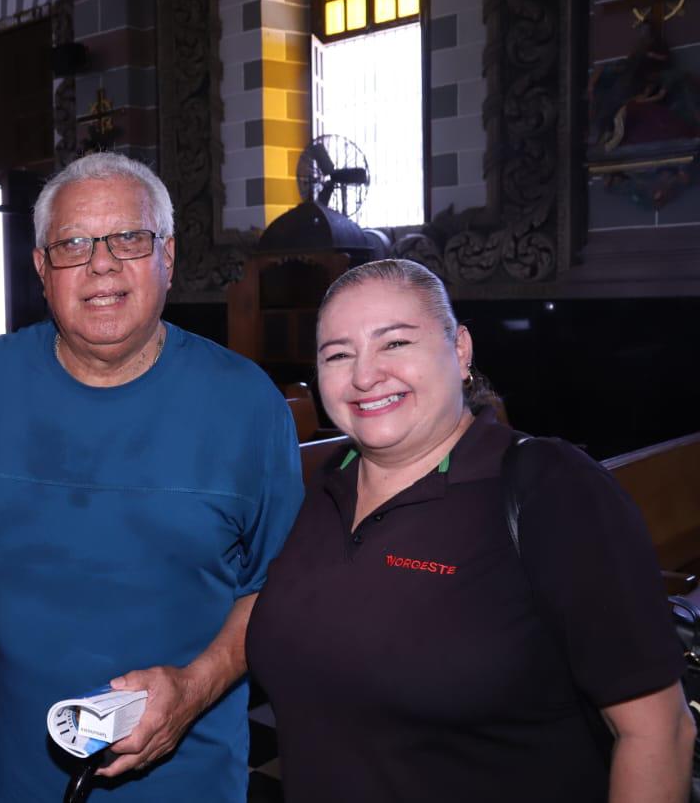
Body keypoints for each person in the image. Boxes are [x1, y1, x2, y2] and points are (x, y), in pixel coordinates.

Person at [246, 258, 693, 803]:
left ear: (460, 350)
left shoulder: (551, 489)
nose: (364, 375)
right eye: (338, 354)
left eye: (395, 344)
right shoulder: (324, 484)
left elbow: (658, 732)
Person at [0, 152, 303, 801]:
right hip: (24, 781)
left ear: (167, 254)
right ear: (41, 268)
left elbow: (279, 589)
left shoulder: (246, 404)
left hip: (188, 781)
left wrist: (193, 688)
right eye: (74, 243)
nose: (103, 262)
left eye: (129, 238)